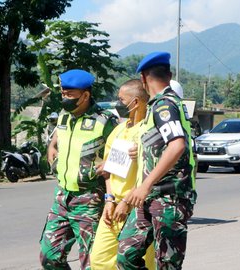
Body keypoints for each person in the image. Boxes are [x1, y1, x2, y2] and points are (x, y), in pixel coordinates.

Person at [117, 52, 197, 269]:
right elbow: (163, 145)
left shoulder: (164, 105)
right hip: (149, 196)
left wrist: (145, 185)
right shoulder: (156, 106)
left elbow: (177, 144)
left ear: (143, 78)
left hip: (169, 197)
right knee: (126, 255)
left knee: (167, 264)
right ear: (169, 75)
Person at [39, 69, 118, 269]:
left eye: (69, 94)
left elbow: (121, 152)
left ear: (85, 95)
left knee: (90, 262)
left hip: (89, 199)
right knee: (50, 256)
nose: (64, 97)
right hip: (62, 197)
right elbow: (58, 137)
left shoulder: (105, 120)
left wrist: (110, 168)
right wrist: (51, 147)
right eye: (63, 93)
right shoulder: (64, 116)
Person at [90, 79, 155, 269]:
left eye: (121, 99)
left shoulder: (148, 132)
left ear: (135, 102)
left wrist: (127, 202)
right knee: (99, 261)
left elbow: (151, 173)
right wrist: (109, 199)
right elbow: (108, 170)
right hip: (113, 207)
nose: (117, 104)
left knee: (139, 262)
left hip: (138, 208)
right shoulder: (118, 130)